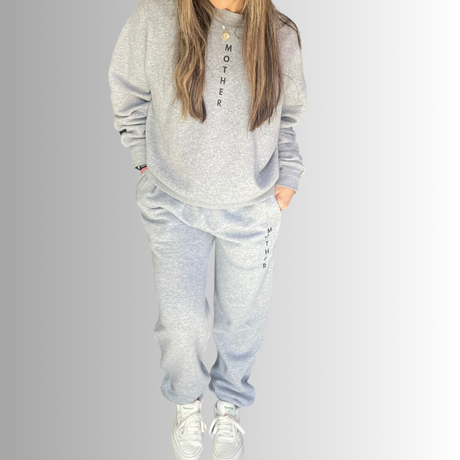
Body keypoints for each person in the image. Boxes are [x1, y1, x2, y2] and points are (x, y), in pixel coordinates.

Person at [108, 0, 307, 458]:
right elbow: (126, 89)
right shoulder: (156, 18)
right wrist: (142, 159)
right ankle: (187, 402)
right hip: (173, 205)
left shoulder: (280, 35)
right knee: (181, 322)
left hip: (252, 209)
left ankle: (230, 405)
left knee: (242, 320)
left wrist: (289, 178)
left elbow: (287, 117)